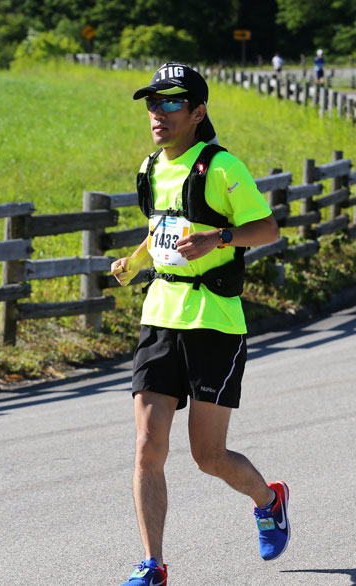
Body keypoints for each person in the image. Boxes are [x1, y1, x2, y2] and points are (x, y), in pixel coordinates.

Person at [111, 62, 289, 586]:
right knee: (147, 445)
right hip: (161, 316)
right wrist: (136, 262)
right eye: (152, 103)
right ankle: (153, 566)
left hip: (214, 321)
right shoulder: (150, 168)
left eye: (170, 103)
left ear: (197, 112)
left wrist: (219, 239)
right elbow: (161, 228)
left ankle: (268, 498)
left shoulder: (221, 166)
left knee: (208, 456)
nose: (157, 114)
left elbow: (268, 228)